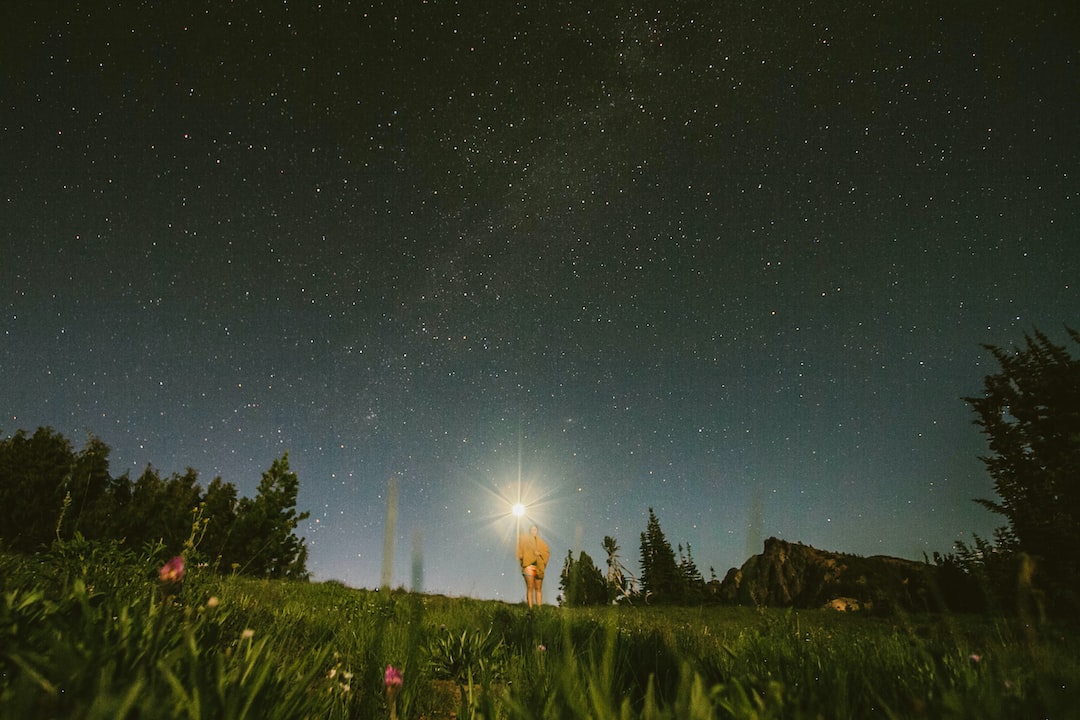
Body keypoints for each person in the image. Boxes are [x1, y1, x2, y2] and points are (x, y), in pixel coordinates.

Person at [516, 524, 550, 607]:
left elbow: (546, 552)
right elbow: (521, 551)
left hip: (539, 567)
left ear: (537, 531)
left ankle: (539, 609)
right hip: (529, 566)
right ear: (529, 531)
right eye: (531, 529)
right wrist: (531, 554)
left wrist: (539, 553)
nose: (533, 531)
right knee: (530, 588)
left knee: (538, 589)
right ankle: (530, 609)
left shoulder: (542, 543)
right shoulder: (526, 541)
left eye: (535, 529)